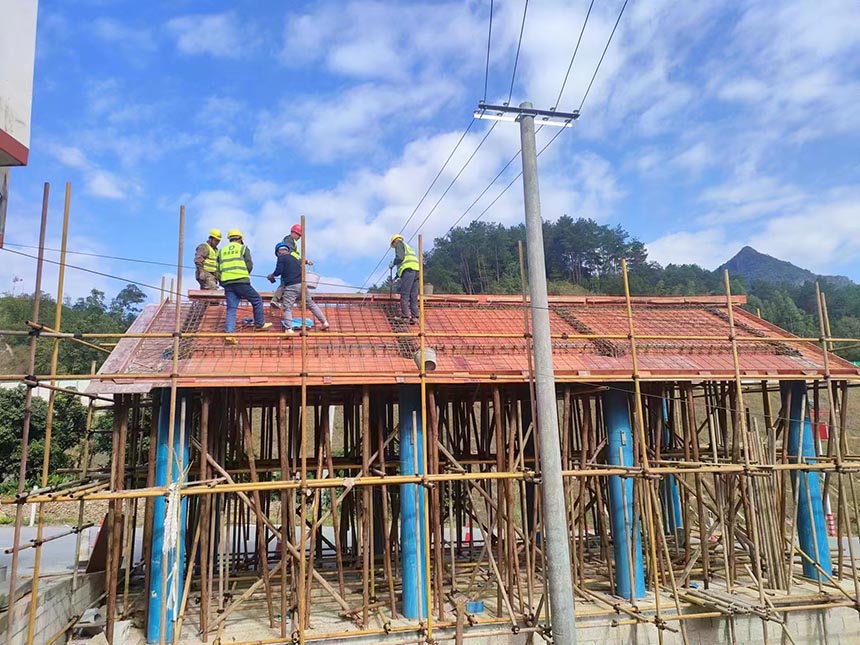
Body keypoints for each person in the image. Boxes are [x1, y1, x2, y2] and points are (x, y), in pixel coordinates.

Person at [218, 229, 272, 344]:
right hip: (241, 281)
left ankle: (229, 335)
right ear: (240, 239)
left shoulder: (222, 251)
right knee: (257, 300)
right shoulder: (243, 248)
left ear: (230, 239)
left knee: (231, 309)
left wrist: (223, 280)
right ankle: (259, 324)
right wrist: (243, 274)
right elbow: (249, 265)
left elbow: (218, 268)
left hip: (227, 283)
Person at [268, 241, 329, 332]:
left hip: (291, 286)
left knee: (287, 308)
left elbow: (278, 271)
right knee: (311, 304)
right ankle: (324, 322)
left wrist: (272, 275)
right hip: (302, 284)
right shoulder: (294, 258)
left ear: (278, 252)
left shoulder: (281, 258)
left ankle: (288, 329)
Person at [389, 234, 419, 324]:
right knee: (413, 295)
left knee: (404, 294)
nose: (394, 247)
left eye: (393, 245)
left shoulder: (399, 244)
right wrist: (395, 278)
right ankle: (415, 317)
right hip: (416, 271)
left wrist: (393, 263)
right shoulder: (407, 246)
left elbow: (400, 258)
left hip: (408, 271)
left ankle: (405, 316)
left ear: (394, 241)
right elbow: (404, 264)